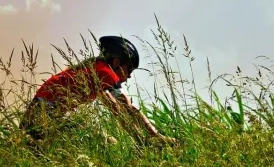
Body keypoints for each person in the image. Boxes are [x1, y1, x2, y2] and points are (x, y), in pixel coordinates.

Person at [19, 35, 178, 146]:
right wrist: (151, 137)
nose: (129, 76)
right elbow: (124, 109)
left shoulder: (94, 71)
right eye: (129, 69)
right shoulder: (105, 73)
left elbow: (120, 109)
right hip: (46, 117)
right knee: (106, 143)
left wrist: (147, 138)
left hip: (36, 117)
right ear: (116, 62)